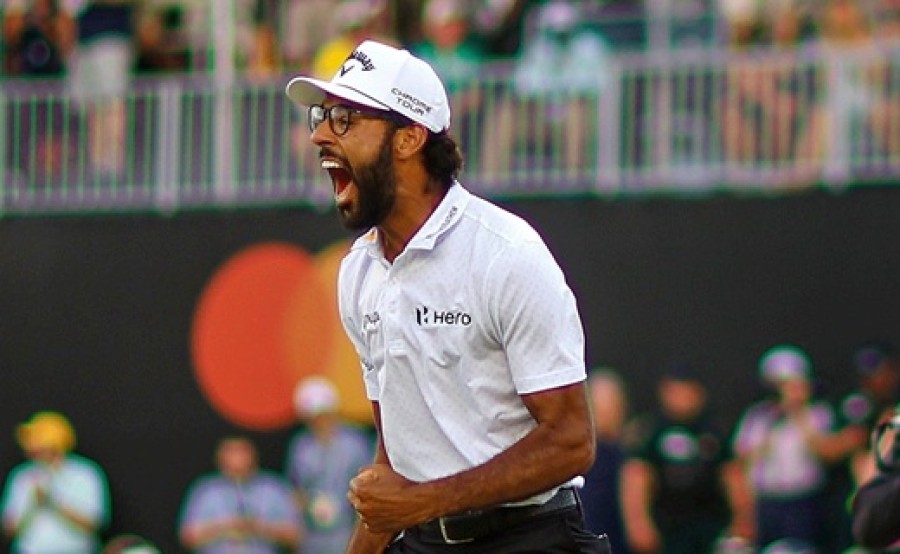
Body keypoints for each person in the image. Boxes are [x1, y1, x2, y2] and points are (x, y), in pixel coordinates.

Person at [285, 39, 609, 553]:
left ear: (409, 138)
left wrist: (423, 502)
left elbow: (572, 441)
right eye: (322, 117)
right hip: (422, 540)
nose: (320, 135)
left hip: (529, 540)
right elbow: (398, 457)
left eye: (345, 119)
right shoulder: (359, 272)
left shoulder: (505, 253)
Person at [619, 364, 754, 554]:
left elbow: (733, 476)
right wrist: (638, 523)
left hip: (710, 523)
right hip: (666, 525)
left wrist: (743, 519)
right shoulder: (652, 433)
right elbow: (637, 477)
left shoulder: (713, 433)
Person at [732, 344, 852, 551]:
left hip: (803, 501)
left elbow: (826, 452)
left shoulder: (816, 414)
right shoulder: (758, 416)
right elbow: (742, 459)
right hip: (766, 501)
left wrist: (798, 413)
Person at [285, 375, 375, 553]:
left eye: (323, 415)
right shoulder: (301, 447)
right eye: (314, 417)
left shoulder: (355, 443)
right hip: (313, 537)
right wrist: (308, 504)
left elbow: (369, 485)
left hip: (349, 530)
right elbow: (295, 489)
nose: (320, 421)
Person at [0, 410, 111, 554]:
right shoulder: (21, 476)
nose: (30, 450)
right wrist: (32, 505)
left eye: (37, 443)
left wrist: (53, 502)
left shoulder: (85, 473)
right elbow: (9, 530)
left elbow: (94, 525)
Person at [178, 435, 302, 553]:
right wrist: (225, 526)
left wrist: (259, 527)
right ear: (219, 458)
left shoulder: (274, 487)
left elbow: (296, 536)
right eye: (231, 452)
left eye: (242, 452)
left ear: (253, 455)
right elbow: (187, 537)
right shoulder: (205, 490)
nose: (237, 457)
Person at [580, 368, 632, 554]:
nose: (606, 414)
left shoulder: (630, 454)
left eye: (612, 406)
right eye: (600, 407)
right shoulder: (579, 460)